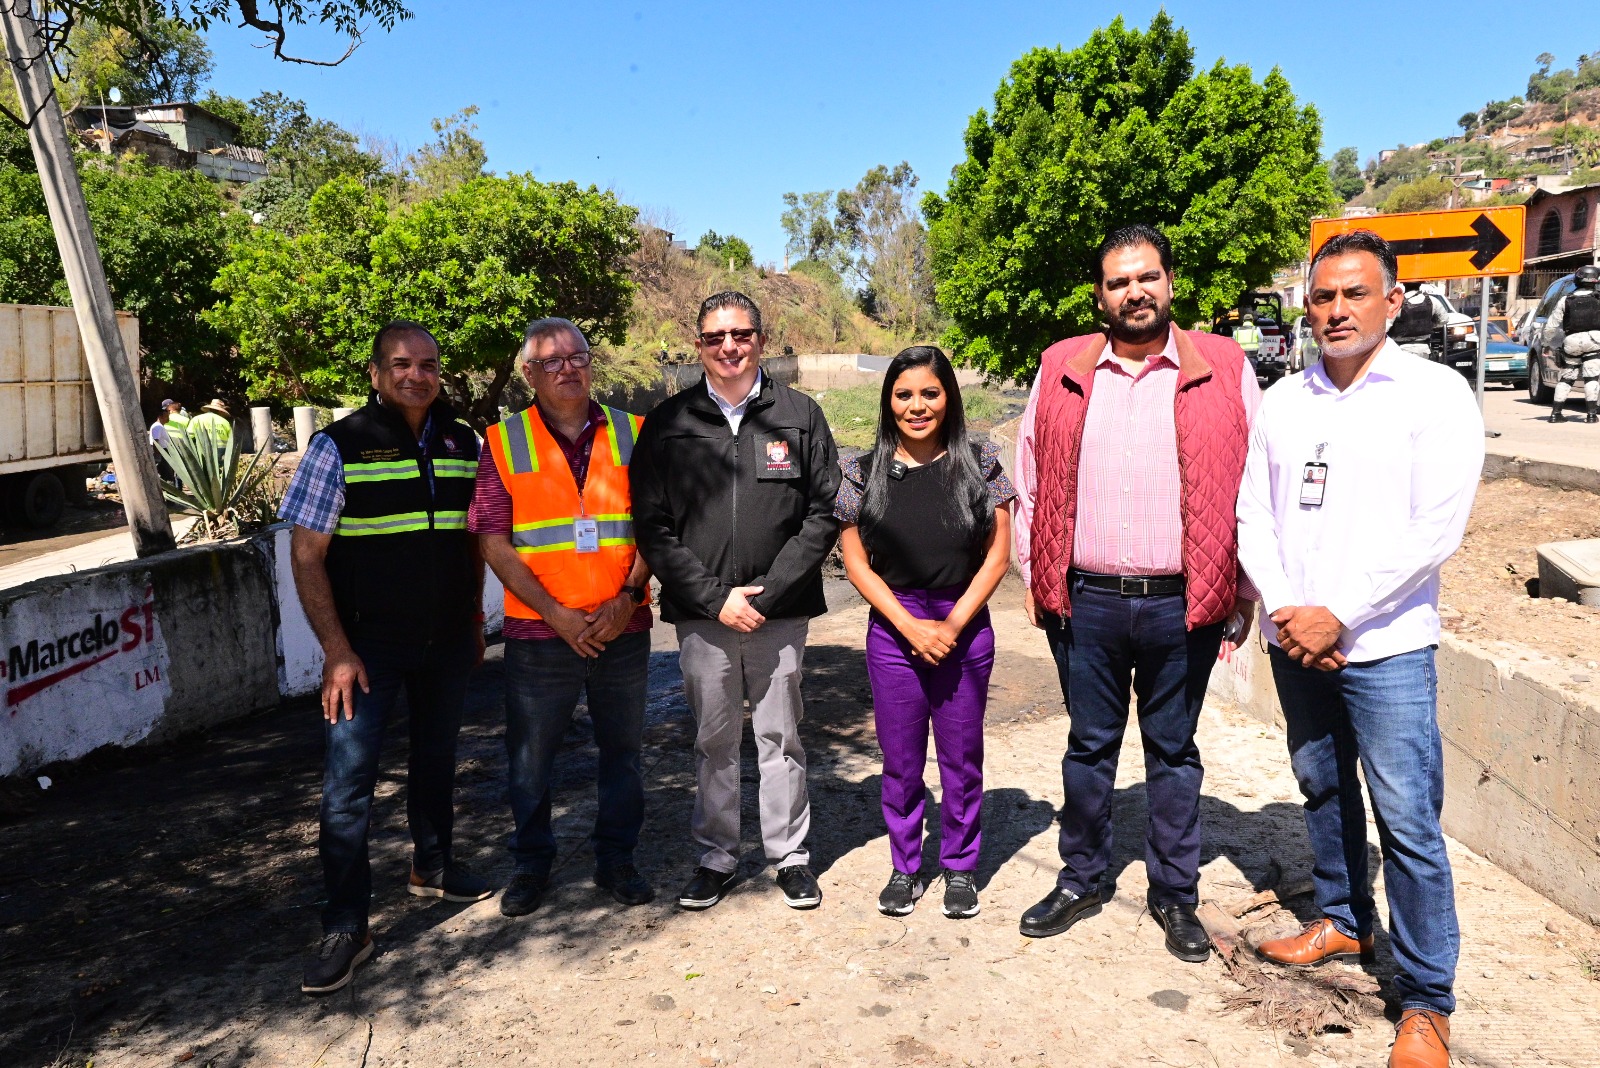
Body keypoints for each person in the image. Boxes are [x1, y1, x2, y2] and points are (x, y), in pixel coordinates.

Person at [1236, 230, 1483, 1068]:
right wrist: (1285, 607)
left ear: (1392, 300)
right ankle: (1342, 921)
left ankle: (1425, 1002)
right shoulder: (1285, 399)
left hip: (1386, 646)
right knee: (1320, 786)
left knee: (1408, 818)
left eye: (1353, 294)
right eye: (1322, 297)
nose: (1335, 311)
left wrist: (1338, 611)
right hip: (1297, 639)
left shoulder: (1434, 395)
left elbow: (1434, 529)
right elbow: (1253, 516)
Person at [1013, 224, 1261, 962]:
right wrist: (1037, 573)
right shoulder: (1061, 365)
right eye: (1120, 282)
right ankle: (1082, 876)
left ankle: (1174, 893)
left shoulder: (1223, 364)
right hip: (1085, 601)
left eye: (1147, 277)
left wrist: (1242, 587)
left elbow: (1256, 482)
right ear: (1101, 295)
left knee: (1173, 751)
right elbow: (1027, 473)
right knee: (1088, 748)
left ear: (1170, 282)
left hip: (1180, 603)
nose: (1135, 292)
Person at [279, 321, 490, 996]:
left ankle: (432, 868)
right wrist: (336, 651)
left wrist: (475, 619)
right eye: (400, 364)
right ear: (375, 374)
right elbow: (306, 554)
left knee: (436, 761)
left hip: (448, 640)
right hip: (367, 649)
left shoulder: (464, 443)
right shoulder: (337, 445)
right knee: (348, 786)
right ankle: (347, 925)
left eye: (428, 364)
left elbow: (471, 539)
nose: (416, 375)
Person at [631, 290, 840, 912]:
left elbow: (824, 511)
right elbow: (652, 523)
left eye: (741, 334)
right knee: (713, 741)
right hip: (703, 617)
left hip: (781, 615)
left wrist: (770, 594)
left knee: (782, 737)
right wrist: (715, 597)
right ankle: (717, 855)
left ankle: (789, 856)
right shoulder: (667, 424)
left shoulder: (800, 416)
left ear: (761, 340)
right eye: (716, 337)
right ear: (698, 346)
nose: (729, 346)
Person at [471, 318, 656, 917]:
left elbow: (659, 524)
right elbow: (493, 540)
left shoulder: (635, 432)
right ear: (529, 374)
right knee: (530, 757)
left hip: (620, 626)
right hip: (540, 631)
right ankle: (531, 863)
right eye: (551, 361)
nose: (567, 368)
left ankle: (616, 858)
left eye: (576, 357)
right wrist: (556, 614)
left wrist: (628, 595)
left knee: (621, 751)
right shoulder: (502, 441)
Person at [835, 346, 1014, 919]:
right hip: (894, 627)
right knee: (901, 759)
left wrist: (954, 623)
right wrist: (910, 626)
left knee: (962, 757)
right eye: (904, 394)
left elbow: (998, 554)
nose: (917, 406)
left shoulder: (981, 460)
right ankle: (906, 866)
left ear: (949, 397)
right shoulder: (860, 471)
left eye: (930, 393)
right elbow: (856, 563)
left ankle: (960, 867)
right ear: (888, 402)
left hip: (963, 622)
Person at [1544, 263, 1600, 423]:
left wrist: (1547, 344)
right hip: (1595, 340)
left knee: (1567, 378)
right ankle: (1591, 415)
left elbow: (1551, 325)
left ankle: (1556, 413)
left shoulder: (1565, 300)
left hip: (1571, 341)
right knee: (1591, 378)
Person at [1388, 283, 1447, 359]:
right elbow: (1444, 320)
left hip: (1401, 350)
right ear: (1420, 285)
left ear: (1404, 285)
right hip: (1424, 350)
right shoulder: (1433, 301)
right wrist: (1431, 325)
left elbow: (1387, 325)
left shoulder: (1398, 302)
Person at [149, 400, 175, 482]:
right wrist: (158, 457)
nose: (168, 418)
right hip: (161, 453)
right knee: (167, 476)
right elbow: (155, 441)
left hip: (163, 452)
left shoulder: (160, 426)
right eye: (167, 416)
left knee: (168, 475)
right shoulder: (157, 427)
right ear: (161, 416)